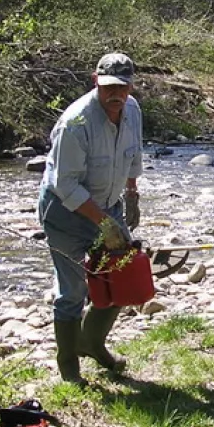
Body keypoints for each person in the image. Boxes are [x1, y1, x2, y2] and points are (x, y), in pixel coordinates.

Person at [38, 52, 143, 384]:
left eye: (122, 88)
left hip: (108, 205)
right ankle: (70, 369)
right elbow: (64, 184)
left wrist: (131, 194)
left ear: (131, 87)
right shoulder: (76, 122)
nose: (116, 95)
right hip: (64, 212)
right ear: (95, 81)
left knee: (124, 277)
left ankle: (91, 342)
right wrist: (104, 223)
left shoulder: (133, 111)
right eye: (109, 86)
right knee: (72, 291)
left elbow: (132, 155)